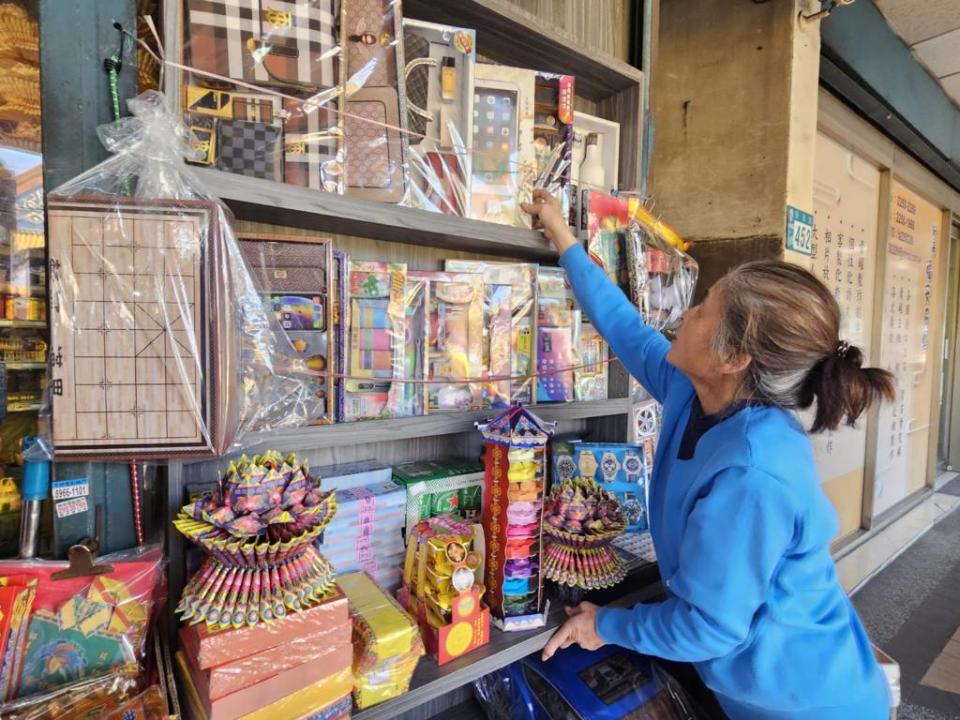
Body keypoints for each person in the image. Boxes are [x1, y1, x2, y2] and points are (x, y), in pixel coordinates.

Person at [522, 189, 893, 720]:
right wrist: (563, 237)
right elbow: (626, 328)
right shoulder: (693, 391)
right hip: (762, 685)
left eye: (702, 311)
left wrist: (603, 625)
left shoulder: (753, 473)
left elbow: (708, 627)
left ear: (734, 357)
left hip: (806, 703)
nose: (684, 315)